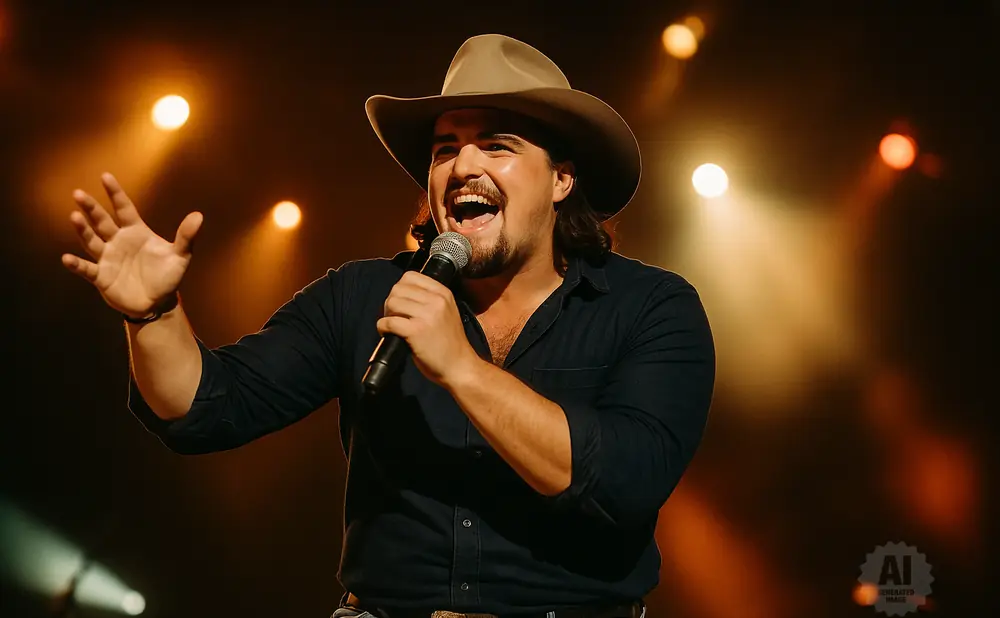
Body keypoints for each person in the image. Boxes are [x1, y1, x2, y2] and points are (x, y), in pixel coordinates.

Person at [61, 34, 715, 618]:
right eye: (444, 150)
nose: (463, 167)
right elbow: (205, 409)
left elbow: (625, 483)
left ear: (562, 179)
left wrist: (461, 366)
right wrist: (151, 314)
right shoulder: (363, 295)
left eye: (497, 145)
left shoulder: (651, 307)